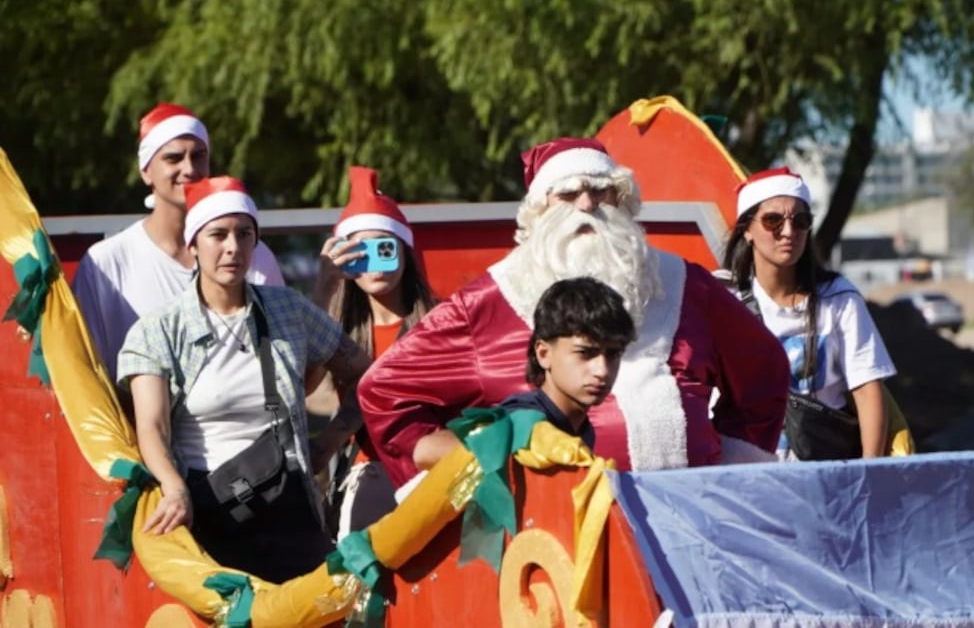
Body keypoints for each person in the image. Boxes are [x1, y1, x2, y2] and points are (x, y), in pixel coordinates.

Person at [358, 136, 790, 491]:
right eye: (568, 193)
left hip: (688, 523)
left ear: (622, 200)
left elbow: (764, 373)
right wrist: (473, 472)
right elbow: (384, 393)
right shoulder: (490, 300)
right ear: (540, 209)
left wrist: (729, 468)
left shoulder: (682, 284)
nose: (586, 205)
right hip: (549, 552)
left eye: (601, 190)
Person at [117, 176, 371, 583]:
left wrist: (330, 441)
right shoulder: (157, 331)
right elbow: (152, 426)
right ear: (192, 244)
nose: (233, 247)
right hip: (204, 511)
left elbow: (367, 376)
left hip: (290, 510)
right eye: (218, 234)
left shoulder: (287, 309)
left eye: (244, 234)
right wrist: (173, 487)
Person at [72, 103, 284, 381]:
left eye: (199, 156)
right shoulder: (106, 263)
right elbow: (87, 373)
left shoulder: (251, 254)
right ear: (146, 170)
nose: (189, 169)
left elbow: (285, 353)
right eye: (173, 158)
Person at [721, 167, 895, 458]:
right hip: (748, 477)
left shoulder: (839, 298)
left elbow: (868, 393)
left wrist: (869, 476)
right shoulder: (725, 301)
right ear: (747, 230)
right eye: (773, 220)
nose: (788, 232)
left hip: (825, 475)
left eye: (800, 221)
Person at [307, 165, 436, 536]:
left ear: (404, 253)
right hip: (367, 474)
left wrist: (329, 440)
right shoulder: (339, 331)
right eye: (361, 250)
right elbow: (302, 382)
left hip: (427, 474)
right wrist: (324, 285)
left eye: (385, 247)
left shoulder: (438, 323)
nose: (375, 261)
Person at [497, 277, 637, 449]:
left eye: (614, 354)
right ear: (544, 353)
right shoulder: (519, 423)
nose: (602, 371)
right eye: (584, 353)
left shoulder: (581, 428)